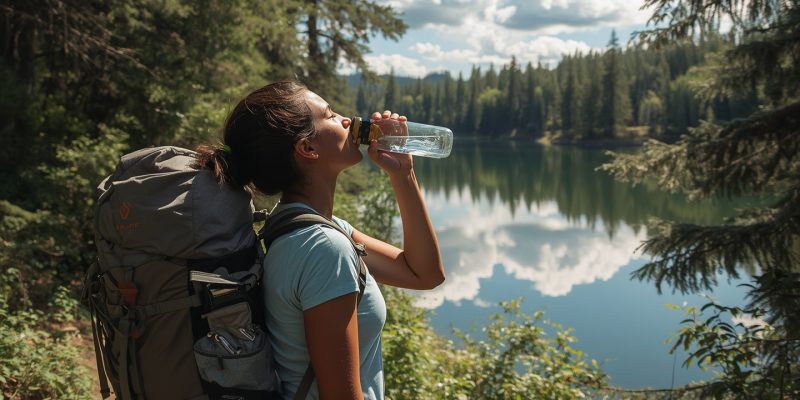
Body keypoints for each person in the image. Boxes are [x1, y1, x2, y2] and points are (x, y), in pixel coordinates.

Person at [195, 81, 445, 400]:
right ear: (308, 149)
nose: (346, 120)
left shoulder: (306, 227)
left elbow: (424, 274)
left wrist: (403, 174)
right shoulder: (324, 248)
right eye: (329, 114)